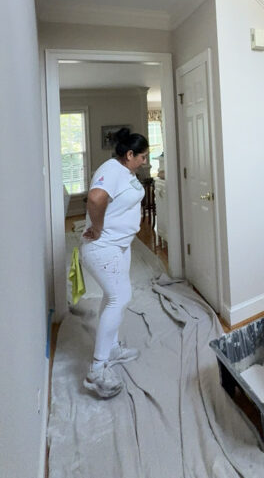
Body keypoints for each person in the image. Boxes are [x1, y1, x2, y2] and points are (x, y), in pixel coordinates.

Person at [79, 128, 149, 398]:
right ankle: (97, 370)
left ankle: (112, 349)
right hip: (103, 246)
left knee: (112, 297)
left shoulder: (126, 173)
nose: (145, 161)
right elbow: (95, 198)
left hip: (120, 245)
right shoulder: (111, 169)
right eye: (142, 156)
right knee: (120, 297)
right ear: (129, 154)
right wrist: (97, 229)